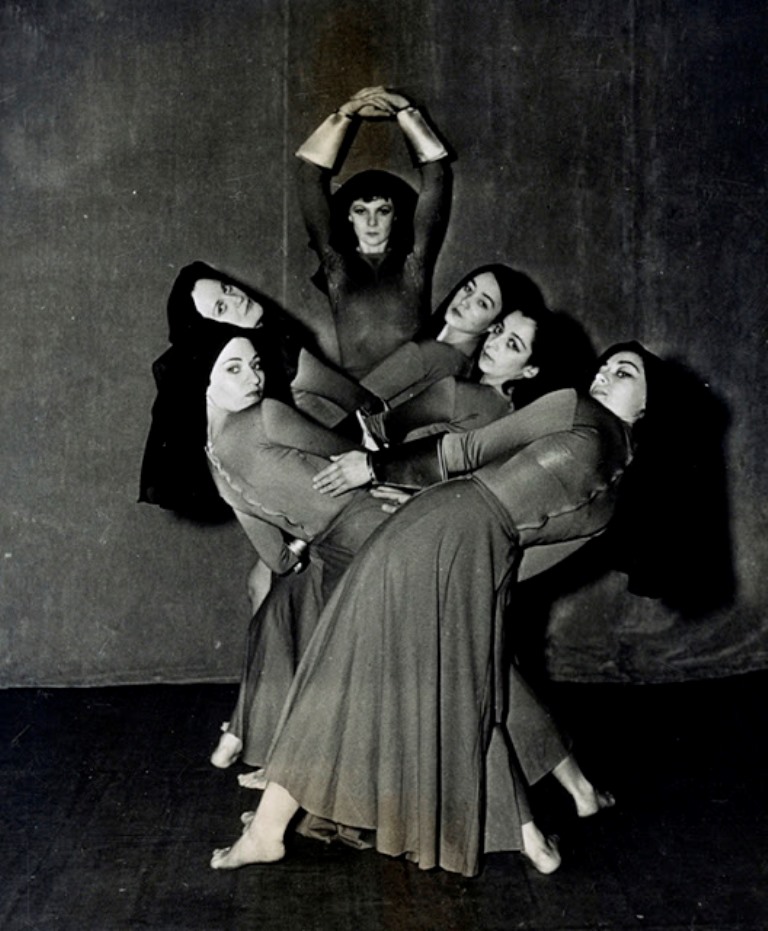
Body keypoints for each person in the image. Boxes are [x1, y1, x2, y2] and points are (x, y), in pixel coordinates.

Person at [208, 343, 662, 877]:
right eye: (606, 366)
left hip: (447, 531)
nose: (605, 374)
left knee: (348, 668)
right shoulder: (612, 496)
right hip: (478, 548)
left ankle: (266, 833)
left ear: (648, 407)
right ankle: (532, 832)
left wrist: (375, 469)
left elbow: (467, 453)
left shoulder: (574, 410)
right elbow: (523, 545)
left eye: (624, 371)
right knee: (468, 687)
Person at [297, 86, 450, 378]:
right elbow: (308, 177)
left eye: (382, 211)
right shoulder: (336, 268)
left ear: (396, 218)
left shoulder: (413, 263)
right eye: (360, 211)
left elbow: (436, 176)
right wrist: (345, 114)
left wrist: (406, 111)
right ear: (348, 217)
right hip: (356, 396)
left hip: (415, 391)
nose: (371, 222)